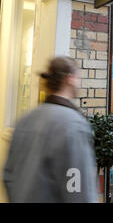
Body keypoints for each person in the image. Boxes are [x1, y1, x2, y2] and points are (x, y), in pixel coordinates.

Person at [2, 56, 98, 202]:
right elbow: (78, 189)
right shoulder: (73, 125)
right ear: (70, 79)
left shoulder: (25, 120)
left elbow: (8, 175)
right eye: (78, 77)